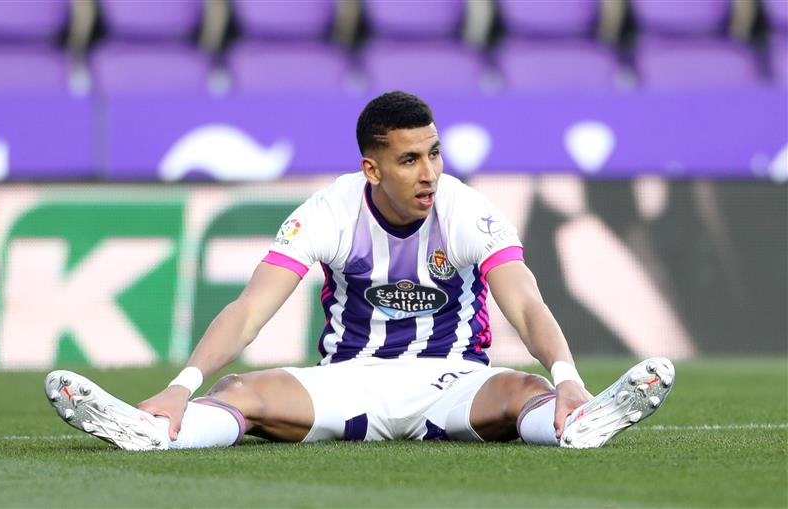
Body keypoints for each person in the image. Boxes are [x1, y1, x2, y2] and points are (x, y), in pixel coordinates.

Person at [45, 91, 674, 450]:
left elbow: (527, 305)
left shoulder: (466, 210)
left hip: (451, 381)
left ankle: (578, 426)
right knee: (237, 393)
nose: (428, 173)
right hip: (349, 381)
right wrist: (182, 383)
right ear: (372, 169)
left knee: (523, 395)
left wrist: (564, 376)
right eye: (408, 160)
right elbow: (249, 312)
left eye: (433, 154)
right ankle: (153, 432)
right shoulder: (329, 212)